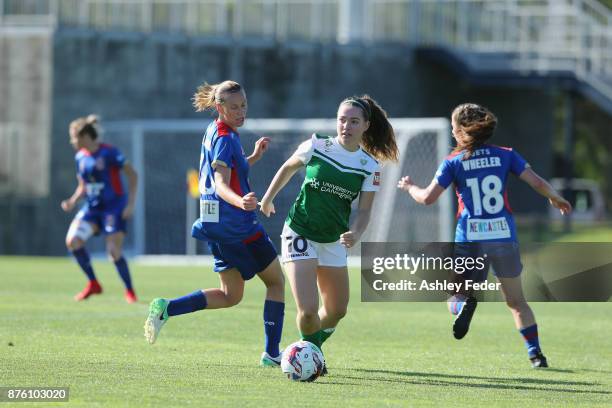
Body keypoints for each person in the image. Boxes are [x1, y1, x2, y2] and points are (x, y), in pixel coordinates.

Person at [397, 103, 572, 368]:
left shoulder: (454, 162)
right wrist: (556, 198)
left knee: (455, 295)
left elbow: (427, 198)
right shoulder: (506, 155)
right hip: (503, 236)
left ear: (459, 130)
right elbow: (536, 181)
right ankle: (535, 354)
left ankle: (463, 306)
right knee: (516, 301)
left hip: (470, 237)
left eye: (454, 129)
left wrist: (410, 187)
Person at [144, 80, 286, 367]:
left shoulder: (215, 131)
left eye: (244, 105)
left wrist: (253, 158)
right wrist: (240, 202)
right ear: (220, 107)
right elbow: (221, 183)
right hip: (237, 225)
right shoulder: (225, 138)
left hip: (215, 223)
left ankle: (166, 309)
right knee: (276, 283)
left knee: (230, 295)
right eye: (234, 107)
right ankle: (272, 354)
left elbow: (227, 172)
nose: (240, 111)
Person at [260, 95, 398, 372]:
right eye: (342, 120)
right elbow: (287, 168)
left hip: (333, 240)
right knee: (309, 310)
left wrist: (356, 233)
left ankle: (303, 350)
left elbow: (365, 212)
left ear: (366, 126)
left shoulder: (369, 166)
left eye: (353, 121)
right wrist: (267, 198)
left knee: (337, 310)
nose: (346, 126)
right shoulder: (317, 145)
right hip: (300, 232)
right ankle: (309, 359)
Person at [61, 115, 139, 303]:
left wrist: (130, 204)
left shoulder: (109, 153)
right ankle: (93, 283)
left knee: (113, 252)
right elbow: (83, 185)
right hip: (92, 208)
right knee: (73, 241)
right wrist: (72, 201)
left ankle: (129, 291)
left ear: (85, 136)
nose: (72, 141)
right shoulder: (80, 157)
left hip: (113, 208)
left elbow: (133, 174)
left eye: (74, 137)